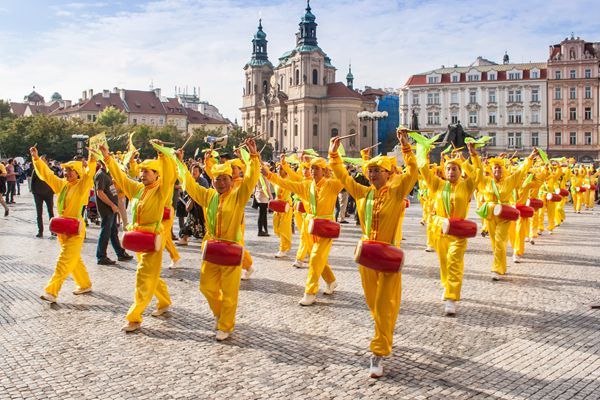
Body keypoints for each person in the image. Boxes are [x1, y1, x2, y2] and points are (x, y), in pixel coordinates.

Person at [328, 128, 417, 378]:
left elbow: (412, 173)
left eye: (378, 170)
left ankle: (378, 350)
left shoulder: (398, 192)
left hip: (388, 258)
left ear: (389, 173)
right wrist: (334, 156)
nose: (373, 173)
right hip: (367, 257)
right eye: (371, 170)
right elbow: (344, 178)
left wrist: (406, 147)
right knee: (373, 304)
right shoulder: (363, 193)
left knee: (383, 304)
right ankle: (385, 332)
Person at [178, 139, 261, 341]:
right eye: (217, 179)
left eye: (225, 179)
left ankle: (225, 325)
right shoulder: (208, 196)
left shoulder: (239, 195)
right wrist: (181, 164)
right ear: (212, 181)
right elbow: (189, 184)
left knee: (229, 291)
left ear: (231, 180)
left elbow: (251, 179)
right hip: (212, 248)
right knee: (206, 287)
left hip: (232, 249)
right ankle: (219, 312)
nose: (221, 183)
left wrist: (253, 157)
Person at [99, 141, 177, 332]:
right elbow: (121, 178)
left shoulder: (162, 190)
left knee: (143, 276)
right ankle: (164, 301)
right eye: (141, 172)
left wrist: (162, 155)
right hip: (139, 239)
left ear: (157, 174)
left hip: (152, 239)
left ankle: (134, 317)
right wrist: (107, 158)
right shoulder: (139, 189)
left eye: (147, 172)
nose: (142, 175)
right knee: (151, 274)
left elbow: (171, 175)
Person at [263, 156, 342, 306]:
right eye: (311, 168)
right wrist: (269, 175)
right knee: (317, 258)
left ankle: (310, 292)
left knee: (315, 258)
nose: (312, 171)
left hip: (325, 227)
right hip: (310, 226)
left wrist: (334, 157)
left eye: (315, 168)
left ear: (324, 170)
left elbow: (343, 177)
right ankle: (331, 281)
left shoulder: (332, 185)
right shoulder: (306, 186)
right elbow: (286, 183)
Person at [419, 143, 482, 315]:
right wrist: (424, 151)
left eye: (455, 169)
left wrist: (473, 155)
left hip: (459, 232)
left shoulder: (467, 186)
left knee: (454, 261)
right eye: (448, 169)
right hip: (441, 231)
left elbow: (478, 174)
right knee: (444, 263)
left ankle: (451, 297)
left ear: (461, 171)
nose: (451, 172)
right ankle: (447, 286)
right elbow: (423, 170)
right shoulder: (438, 185)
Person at [30, 146, 97, 303]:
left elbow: (89, 175)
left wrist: (92, 159)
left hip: (75, 230)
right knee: (73, 260)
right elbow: (47, 175)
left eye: (70, 171)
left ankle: (51, 291)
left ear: (78, 173)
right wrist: (36, 158)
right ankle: (85, 284)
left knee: (64, 260)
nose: (66, 173)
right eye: (65, 170)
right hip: (62, 229)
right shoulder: (62, 185)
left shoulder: (82, 186)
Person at [476, 149, 538, 280]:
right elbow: (476, 169)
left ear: (504, 170)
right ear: (491, 170)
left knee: (499, 240)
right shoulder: (486, 181)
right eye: (495, 168)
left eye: (499, 168)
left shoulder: (509, 181)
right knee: (495, 243)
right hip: (490, 216)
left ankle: (497, 269)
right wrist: (473, 154)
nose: (497, 171)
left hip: (504, 215)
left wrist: (530, 158)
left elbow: (521, 171)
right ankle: (502, 266)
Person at [94, 160, 133, 265]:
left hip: (112, 208)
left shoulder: (108, 173)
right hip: (107, 208)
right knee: (105, 232)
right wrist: (111, 205)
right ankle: (101, 256)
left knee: (113, 231)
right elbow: (100, 193)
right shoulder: (101, 174)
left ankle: (120, 253)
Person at [31, 155, 56, 237]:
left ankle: (53, 230)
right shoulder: (36, 171)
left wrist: (52, 191)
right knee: (39, 213)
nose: (41, 162)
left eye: (43, 160)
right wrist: (34, 192)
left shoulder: (50, 170)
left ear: (46, 162)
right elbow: (32, 183)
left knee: (51, 212)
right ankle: (40, 231)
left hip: (48, 194)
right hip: (38, 195)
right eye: (40, 160)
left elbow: (54, 181)